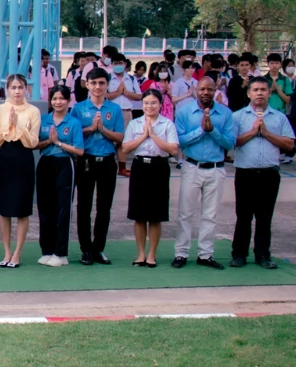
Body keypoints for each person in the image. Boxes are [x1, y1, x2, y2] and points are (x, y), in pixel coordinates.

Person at [230, 77, 295, 269]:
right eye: (255, 90)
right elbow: (232, 142)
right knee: (243, 216)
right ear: (249, 93)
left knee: (265, 217)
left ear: (269, 93)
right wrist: (252, 132)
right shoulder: (238, 117)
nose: (259, 93)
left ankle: (263, 255)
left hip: (269, 173)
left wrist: (266, 133)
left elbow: (290, 144)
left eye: (263, 90)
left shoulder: (279, 117)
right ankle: (239, 254)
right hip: (245, 173)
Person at [173, 77, 237, 270]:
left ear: (215, 89)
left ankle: (205, 254)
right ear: (196, 90)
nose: (206, 92)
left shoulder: (225, 113)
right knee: (185, 213)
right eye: (202, 89)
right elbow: (180, 141)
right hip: (192, 166)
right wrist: (201, 130)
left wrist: (213, 130)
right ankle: (181, 253)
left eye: (209, 89)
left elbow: (230, 143)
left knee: (210, 214)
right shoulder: (185, 111)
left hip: (216, 168)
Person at [121, 89, 180, 267]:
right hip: (140, 167)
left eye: (153, 103)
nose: (149, 106)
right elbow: (125, 148)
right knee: (139, 214)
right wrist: (144, 136)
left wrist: (153, 135)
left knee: (155, 215)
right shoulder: (135, 124)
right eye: (146, 103)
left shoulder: (167, 124)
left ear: (160, 104)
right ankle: (140, 254)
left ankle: (152, 255)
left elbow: (173, 150)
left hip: (159, 168)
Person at [72, 67, 125, 265]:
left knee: (104, 207)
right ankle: (85, 249)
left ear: (107, 84)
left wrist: (102, 130)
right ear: (87, 84)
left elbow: (120, 137)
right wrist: (91, 129)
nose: (97, 87)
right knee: (84, 207)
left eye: (101, 83)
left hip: (107, 161)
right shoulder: (79, 108)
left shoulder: (114, 109)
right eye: (93, 83)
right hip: (86, 160)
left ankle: (98, 248)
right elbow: (74, 135)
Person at [0, 75, 41, 268]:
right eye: (13, 88)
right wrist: (8, 127)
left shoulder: (33, 111)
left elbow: (33, 141)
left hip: (24, 157)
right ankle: (7, 252)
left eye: (20, 87)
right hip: (5, 157)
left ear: (26, 89)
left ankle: (18, 253)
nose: (17, 91)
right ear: (8, 89)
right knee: (5, 209)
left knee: (22, 209)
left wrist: (19, 127)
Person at [35, 86, 84, 266]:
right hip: (45, 163)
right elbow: (35, 144)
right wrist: (49, 141)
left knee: (62, 209)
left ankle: (61, 253)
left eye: (61, 99)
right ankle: (47, 250)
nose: (58, 102)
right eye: (54, 99)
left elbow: (79, 150)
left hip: (65, 164)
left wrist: (58, 143)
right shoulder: (44, 120)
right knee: (44, 208)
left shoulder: (73, 122)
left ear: (68, 100)